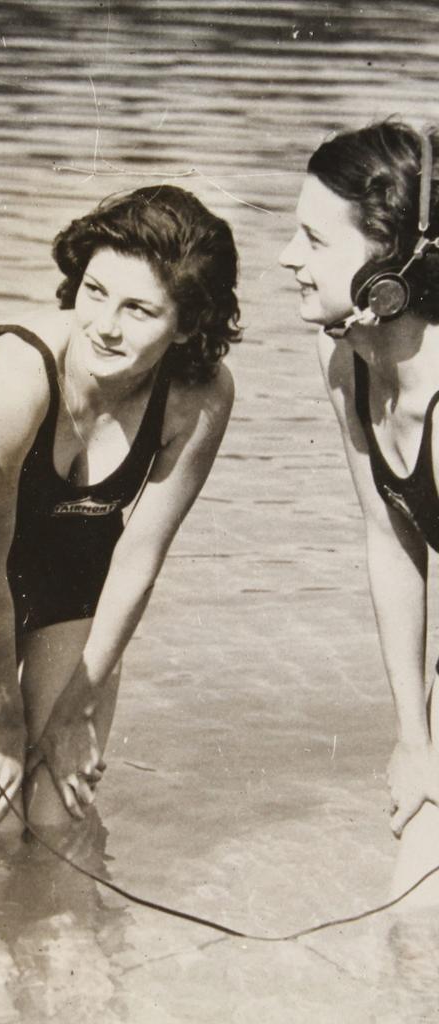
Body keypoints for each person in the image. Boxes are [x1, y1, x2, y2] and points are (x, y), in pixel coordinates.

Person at [0, 184, 239, 836]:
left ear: (189, 323)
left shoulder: (200, 396)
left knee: (58, 815)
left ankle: (66, 938)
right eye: (94, 290)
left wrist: (71, 713)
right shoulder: (16, 378)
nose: (104, 325)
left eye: (139, 309)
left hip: (73, 571)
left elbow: (139, 557)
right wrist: (2, 724)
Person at [280, 121, 439, 900]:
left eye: (313, 239)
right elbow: (390, 535)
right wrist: (413, 738)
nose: (288, 258)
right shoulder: (345, 354)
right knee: (419, 870)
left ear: (389, 271)